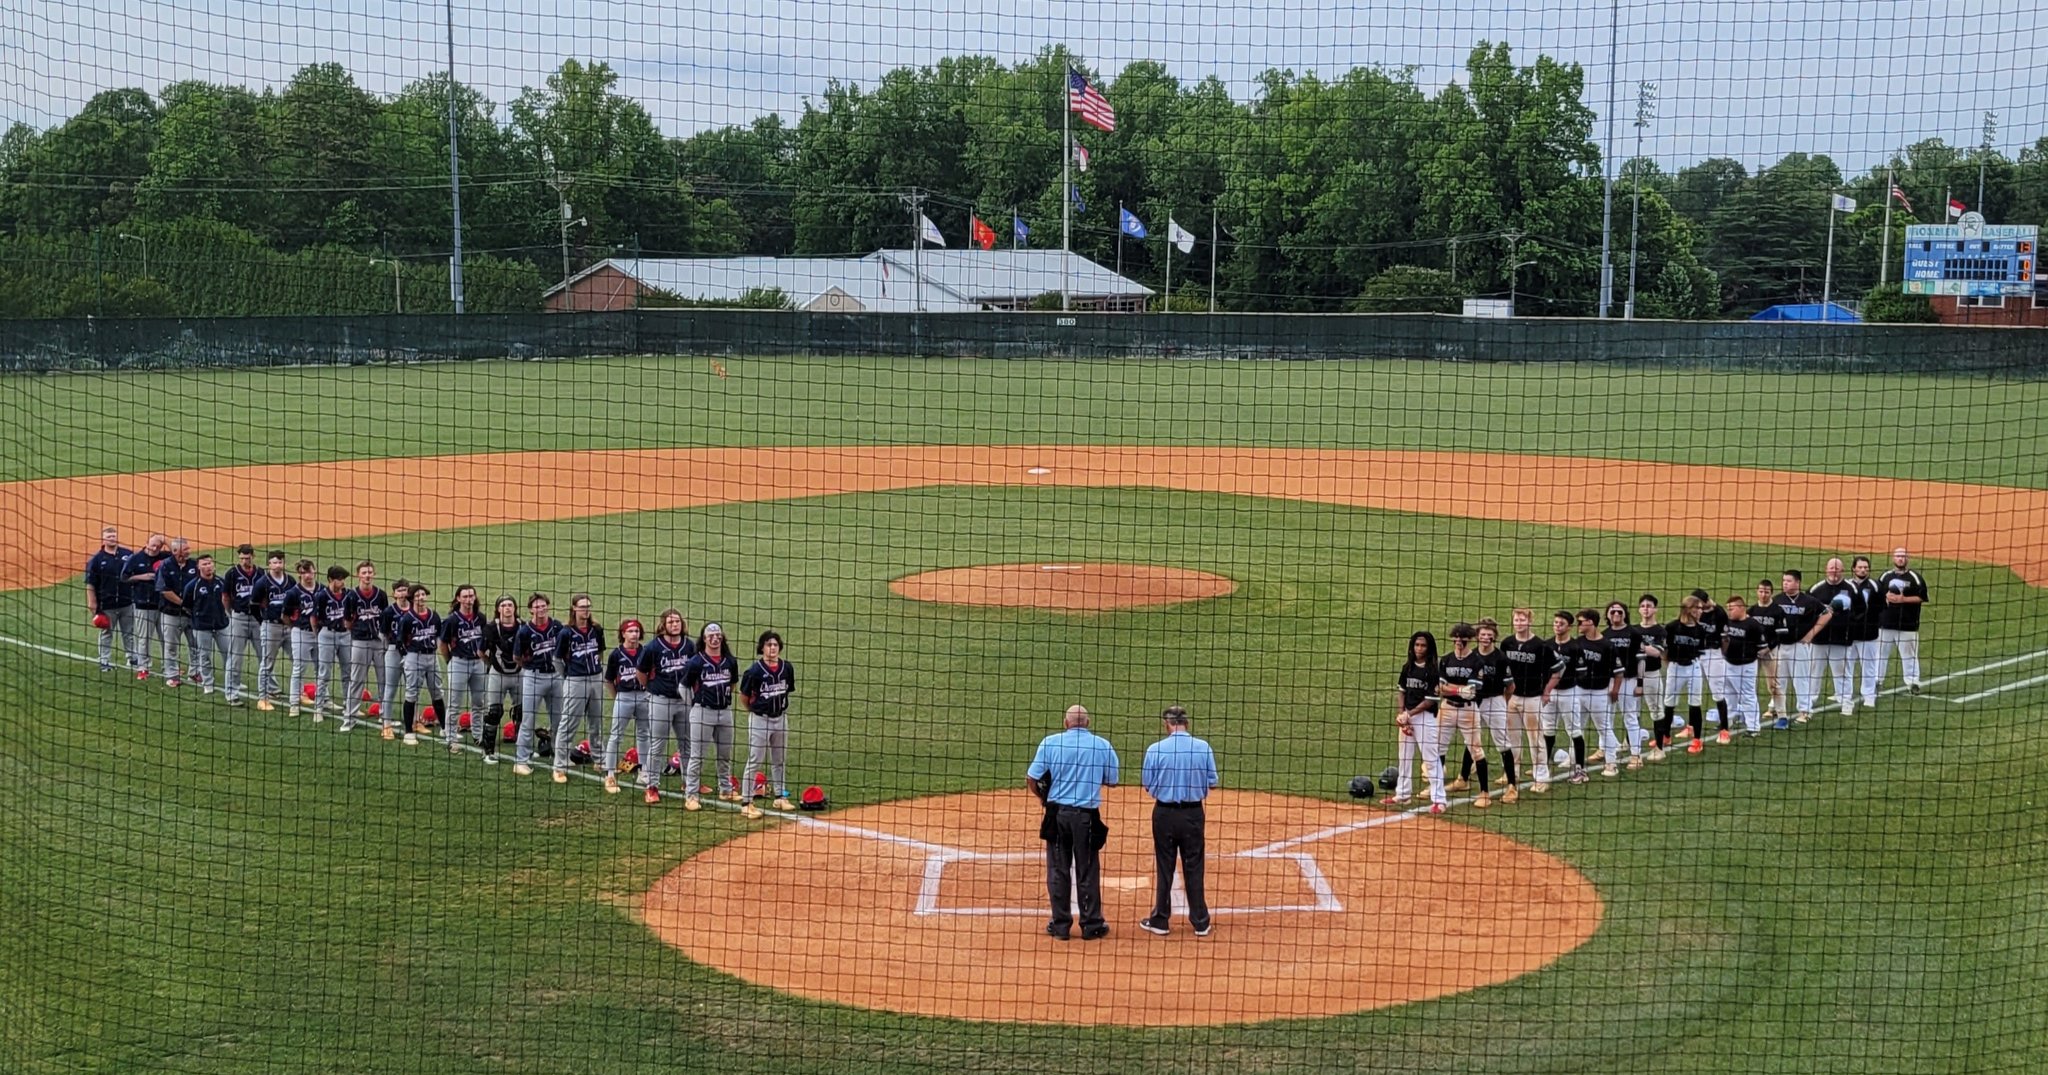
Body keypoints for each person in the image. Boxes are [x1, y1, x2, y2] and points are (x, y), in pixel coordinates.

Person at [1026, 705, 1119, 941]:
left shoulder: (1050, 742)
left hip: (1056, 816)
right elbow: (1112, 780)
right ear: (1087, 723)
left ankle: (1060, 926)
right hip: (1086, 817)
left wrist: (1042, 798)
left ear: (1066, 723)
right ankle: (1091, 925)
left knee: (1058, 870)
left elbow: (1032, 777)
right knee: (1087, 870)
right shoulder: (1102, 745)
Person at [1139, 704, 1217, 937]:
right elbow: (1212, 782)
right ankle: (1201, 922)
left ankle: (1160, 920)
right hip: (1193, 814)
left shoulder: (1155, 749)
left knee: (1165, 867)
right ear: (1187, 723)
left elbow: (1148, 785)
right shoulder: (1203, 748)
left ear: (1167, 723)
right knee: (1194, 866)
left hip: (1164, 814)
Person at [1501, 608, 1564, 794]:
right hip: (1511, 698)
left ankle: (1541, 777)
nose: (1519, 623)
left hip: (1533, 698)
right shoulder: (1507, 643)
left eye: (1522, 620)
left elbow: (1558, 670)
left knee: (1535, 740)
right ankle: (1513, 773)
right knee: (1511, 739)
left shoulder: (1541, 646)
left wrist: (1546, 691)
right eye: (1516, 620)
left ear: (1530, 622)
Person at [636, 609, 695, 803]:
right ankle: (652, 786)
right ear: (663, 625)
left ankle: (689, 782)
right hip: (660, 700)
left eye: (677, 621)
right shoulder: (653, 647)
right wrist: (652, 689)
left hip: (684, 701)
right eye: (670, 622)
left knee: (687, 744)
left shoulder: (689, 645)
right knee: (657, 745)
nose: (675, 625)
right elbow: (641, 673)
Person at [681, 623, 742, 811]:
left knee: (725, 754)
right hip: (702, 712)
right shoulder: (696, 662)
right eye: (711, 636)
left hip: (724, 712)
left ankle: (725, 789)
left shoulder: (730, 661)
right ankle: (691, 795)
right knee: (697, 756)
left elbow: (731, 684)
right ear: (704, 639)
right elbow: (683, 687)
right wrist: (694, 704)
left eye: (718, 635)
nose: (715, 639)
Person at [1384, 631, 1445, 811]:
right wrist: (1401, 714)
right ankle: (1402, 794)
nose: (1419, 649)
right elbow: (1402, 691)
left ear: (1429, 648)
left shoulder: (1433, 670)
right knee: (1404, 757)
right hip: (1408, 717)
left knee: (1430, 758)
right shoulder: (1408, 667)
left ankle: (1439, 800)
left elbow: (1430, 701)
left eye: (1423, 645)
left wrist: (1409, 714)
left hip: (1425, 718)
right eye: (1416, 645)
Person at [739, 629, 797, 817]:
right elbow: (744, 697)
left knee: (779, 759)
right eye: (768, 645)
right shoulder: (754, 671)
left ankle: (780, 796)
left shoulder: (787, 668)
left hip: (781, 718)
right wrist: (755, 712)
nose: (772, 648)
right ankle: (746, 802)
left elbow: (787, 691)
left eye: (775, 645)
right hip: (760, 719)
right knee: (755, 759)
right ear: (762, 648)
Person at [1562, 609, 1625, 781]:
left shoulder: (1607, 645)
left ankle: (1611, 762)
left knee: (1604, 728)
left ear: (1591, 622)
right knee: (1576, 727)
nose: (1578, 625)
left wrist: (1615, 690)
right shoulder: (1577, 642)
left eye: (1581, 622)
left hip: (1598, 693)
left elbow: (1619, 672)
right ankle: (1573, 758)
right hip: (1579, 690)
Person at [1437, 623, 1496, 808]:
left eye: (1462, 639)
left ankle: (1485, 793)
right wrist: (1458, 689)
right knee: (1438, 748)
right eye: (1455, 638)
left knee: (1476, 751)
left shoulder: (1477, 661)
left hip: (1468, 711)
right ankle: (1436, 789)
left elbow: (1471, 692)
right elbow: (1439, 688)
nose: (1458, 642)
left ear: (1469, 640)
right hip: (1446, 708)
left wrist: (1451, 689)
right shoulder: (1446, 660)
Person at [552, 594, 607, 784]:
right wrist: (568, 675)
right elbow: (557, 660)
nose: (586, 610)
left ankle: (599, 760)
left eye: (588, 606)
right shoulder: (566, 633)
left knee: (596, 722)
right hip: (575, 680)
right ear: (574, 609)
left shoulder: (596, 629)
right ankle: (559, 765)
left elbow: (600, 652)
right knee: (569, 722)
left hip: (596, 678)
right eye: (582, 607)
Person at [512, 593, 565, 776]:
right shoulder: (525, 631)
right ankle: (521, 760)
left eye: (543, 606)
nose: (541, 610)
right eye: (537, 607)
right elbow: (517, 657)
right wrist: (530, 668)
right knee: (528, 719)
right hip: (534, 677)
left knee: (559, 719)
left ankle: (560, 757)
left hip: (556, 676)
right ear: (530, 609)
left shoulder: (557, 626)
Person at [438, 585, 490, 754]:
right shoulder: (451, 620)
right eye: (465, 596)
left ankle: (478, 735)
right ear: (458, 599)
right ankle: (451, 738)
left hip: (478, 663)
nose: (469, 600)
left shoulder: (480, 618)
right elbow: (443, 644)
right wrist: (450, 662)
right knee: (454, 703)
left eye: (471, 596)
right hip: (459, 662)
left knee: (479, 702)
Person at [341, 562, 391, 734]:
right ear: (358, 575)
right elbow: (347, 622)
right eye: (364, 572)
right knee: (356, 680)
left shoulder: (381, 595)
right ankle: (349, 718)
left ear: (374, 574)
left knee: (384, 679)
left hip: (379, 642)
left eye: (370, 572)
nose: (368, 575)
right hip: (360, 642)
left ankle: (386, 717)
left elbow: (386, 619)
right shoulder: (351, 596)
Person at [394, 585, 447, 748]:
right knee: (411, 693)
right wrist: (409, 657)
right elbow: (400, 641)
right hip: (414, 657)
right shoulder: (407, 618)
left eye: (423, 594)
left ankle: (445, 728)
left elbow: (438, 636)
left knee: (437, 692)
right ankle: (409, 732)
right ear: (412, 598)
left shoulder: (434, 616)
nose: (422, 597)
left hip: (431, 656)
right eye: (417, 595)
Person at [601, 618, 649, 796]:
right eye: (630, 631)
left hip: (644, 696)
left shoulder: (646, 652)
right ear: (623, 634)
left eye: (637, 631)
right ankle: (610, 774)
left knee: (644, 734)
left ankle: (644, 772)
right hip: (625, 697)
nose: (634, 635)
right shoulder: (616, 654)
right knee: (616, 736)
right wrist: (618, 698)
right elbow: (609, 680)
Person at [85, 526, 139, 675]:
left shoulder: (128, 554)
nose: (112, 538)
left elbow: (134, 574)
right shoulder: (96, 560)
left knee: (129, 632)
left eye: (114, 535)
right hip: (106, 604)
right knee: (106, 633)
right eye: (109, 536)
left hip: (127, 602)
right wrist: (93, 604)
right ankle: (104, 660)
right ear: (103, 539)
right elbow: (90, 584)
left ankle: (132, 657)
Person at [478, 596, 525, 764]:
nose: (507, 608)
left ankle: (523, 748)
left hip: (519, 674)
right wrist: (491, 665)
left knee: (522, 712)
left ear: (515, 607)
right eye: (503, 605)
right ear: (498, 609)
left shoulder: (523, 626)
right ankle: (488, 751)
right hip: (498, 674)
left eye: (510, 605)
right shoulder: (490, 628)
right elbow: (481, 652)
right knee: (494, 712)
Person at [1876, 547, 1930, 693]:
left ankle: (1913, 683)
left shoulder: (1915, 578)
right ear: (1893, 558)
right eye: (1898, 556)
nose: (1901, 559)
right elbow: (1876, 594)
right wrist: (1885, 597)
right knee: (1880, 654)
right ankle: (1876, 681)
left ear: (1908, 559)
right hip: (1885, 624)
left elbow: (1922, 597)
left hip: (1907, 625)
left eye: (1903, 556)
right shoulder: (1884, 576)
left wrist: (1903, 599)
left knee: (1909, 655)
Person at [1776, 569, 1826, 724]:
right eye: (1784, 580)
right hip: (1779, 646)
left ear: (1797, 582)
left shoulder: (1809, 601)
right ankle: (1776, 709)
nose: (1785, 583)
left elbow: (1827, 613)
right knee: (1778, 680)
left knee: (1801, 679)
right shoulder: (1776, 600)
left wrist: (1812, 634)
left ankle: (1805, 710)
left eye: (1789, 581)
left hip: (1799, 646)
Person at [1603, 601, 1649, 765]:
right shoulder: (1604, 634)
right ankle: (1605, 749)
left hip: (1629, 680)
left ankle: (1636, 755)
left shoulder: (1634, 633)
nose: (1616, 615)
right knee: (1606, 717)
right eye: (1612, 612)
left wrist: (1640, 683)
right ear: (1607, 614)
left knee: (1629, 717)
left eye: (1620, 612)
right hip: (1608, 681)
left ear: (1625, 614)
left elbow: (1641, 660)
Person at [248, 551, 293, 711]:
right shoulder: (262, 583)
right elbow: (253, 605)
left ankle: (299, 694)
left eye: (280, 562)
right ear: (269, 564)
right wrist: (263, 622)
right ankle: (263, 698)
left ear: (284, 563)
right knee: (267, 663)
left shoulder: (290, 581)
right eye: (274, 563)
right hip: (271, 626)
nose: (277, 565)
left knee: (298, 660)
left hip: (288, 627)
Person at [1664, 595, 1711, 752]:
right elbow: (1665, 649)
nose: (1699, 611)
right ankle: (1665, 736)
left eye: (1700, 608)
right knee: (1669, 702)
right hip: (1675, 667)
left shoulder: (1701, 629)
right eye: (1696, 608)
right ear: (1687, 609)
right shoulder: (1672, 627)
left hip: (1693, 667)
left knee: (1695, 703)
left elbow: (1700, 651)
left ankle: (1697, 740)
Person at [180, 553, 230, 694]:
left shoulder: (221, 582)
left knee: (229, 654)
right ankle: (208, 683)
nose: (208, 567)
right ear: (198, 567)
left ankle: (231, 681)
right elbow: (187, 606)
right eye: (204, 564)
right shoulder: (192, 586)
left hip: (222, 625)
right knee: (205, 656)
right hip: (202, 627)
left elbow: (227, 600)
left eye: (209, 563)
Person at [154, 537, 200, 688]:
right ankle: (172, 675)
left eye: (188, 549)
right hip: (171, 613)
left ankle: (195, 672)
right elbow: (164, 590)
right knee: (171, 645)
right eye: (185, 549)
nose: (188, 551)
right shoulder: (165, 566)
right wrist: (183, 603)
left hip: (192, 614)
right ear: (175, 551)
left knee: (196, 644)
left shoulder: (194, 565)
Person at [122, 534, 169, 681]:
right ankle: (143, 667)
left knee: (167, 638)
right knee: (144, 638)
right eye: (153, 545)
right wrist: (143, 576)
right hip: (143, 605)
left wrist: (165, 540)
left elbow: (179, 552)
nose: (155, 548)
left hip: (163, 605)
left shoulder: (165, 557)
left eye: (158, 546)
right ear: (146, 543)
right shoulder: (135, 559)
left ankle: (168, 666)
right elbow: (124, 578)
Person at [221, 544, 262, 707]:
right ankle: (231, 693)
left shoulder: (261, 573)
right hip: (239, 617)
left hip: (257, 619)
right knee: (235, 656)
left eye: (247, 557)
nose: (245, 561)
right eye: (242, 558)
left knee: (264, 655)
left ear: (253, 556)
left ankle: (270, 688)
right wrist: (232, 614)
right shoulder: (232, 573)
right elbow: (225, 597)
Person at [281, 559, 322, 718]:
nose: (307, 575)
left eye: (309, 571)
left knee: (322, 668)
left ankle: (323, 699)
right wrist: (295, 628)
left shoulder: (322, 590)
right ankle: (294, 703)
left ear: (315, 571)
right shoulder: (293, 592)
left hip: (319, 634)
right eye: (303, 572)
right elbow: (284, 616)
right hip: (301, 632)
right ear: (299, 574)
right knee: (299, 668)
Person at [312, 566, 354, 725]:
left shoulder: (348, 594)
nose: (342, 582)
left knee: (348, 672)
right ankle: (318, 708)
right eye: (339, 579)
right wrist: (319, 635)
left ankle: (348, 706)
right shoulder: (321, 595)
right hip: (327, 634)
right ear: (330, 579)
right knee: (324, 672)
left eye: (343, 579)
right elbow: (314, 619)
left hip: (345, 635)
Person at [1634, 595, 1673, 759]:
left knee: (1656, 710)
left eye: (1649, 606)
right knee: (1631, 710)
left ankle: (1659, 747)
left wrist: (1639, 646)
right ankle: (1629, 743)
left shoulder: (1660, 631)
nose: (1646, 608)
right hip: (1633, 675)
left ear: (1655, 609)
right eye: (1642, 605)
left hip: (1651, 675)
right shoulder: (1634, 629)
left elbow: (1657, 652)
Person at [1721, 596, 1766, 736]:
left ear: (1741, 608)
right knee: (1728, 694)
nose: (1729, 612)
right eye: (1727, 609)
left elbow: (1762, 647)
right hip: (1728, 663)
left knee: (1747, 696)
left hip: (1746, 666)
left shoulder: (1753, 625)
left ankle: (1753, 727)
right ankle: (1727, 721)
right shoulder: (1727, 622)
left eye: (1731, 608)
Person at [1747, 580, 1788, 722]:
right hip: (1753, 653)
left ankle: (1782, 716)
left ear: (1772, 593)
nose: (1763, 595)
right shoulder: (1751, 611)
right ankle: (1748, 715)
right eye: (1761, 591)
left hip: (1771, 652)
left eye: (1766, 592)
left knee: (1774, 685)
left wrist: (1768, 648)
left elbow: (1781, 635)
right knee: (1748, 684)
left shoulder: (1778, 611)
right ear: (1757, 592)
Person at [377, 580, 413, 736]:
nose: (403, 593)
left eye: (405, 590)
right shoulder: (388, 612)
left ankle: (414, 722)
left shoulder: (414, 610)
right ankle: (386, 724)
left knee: (412, 688)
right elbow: (383, 633)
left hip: (412, 652)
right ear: (394, 594)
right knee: (390, 688)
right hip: (393, 651)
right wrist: (387, 650)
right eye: (399, 590)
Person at [1693, 588, 1730, 735]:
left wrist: (1721, 655)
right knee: (1694, 690)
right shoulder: (1695, 612)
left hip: (1713, 653)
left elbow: (1725, 638)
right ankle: (1691, 726)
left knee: (1717, 691)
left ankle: (1724, 727)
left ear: (1706, 601)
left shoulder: (1719, 613)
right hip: (1697, 653)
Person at [1849, 556, 1884, 710]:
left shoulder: (1876, 586)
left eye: (1865, 567)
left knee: (1869, 666)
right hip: (1849, 635)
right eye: (1860, 567)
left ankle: (1869, 695)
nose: (1863, 570)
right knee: (1846, 667)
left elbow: (1882, 606)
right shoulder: (1847, 586)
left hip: (1868, 633)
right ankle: (1845, 695)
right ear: (1854, 569)